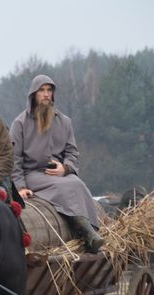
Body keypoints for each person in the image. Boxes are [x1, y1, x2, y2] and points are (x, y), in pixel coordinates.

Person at [10, 74, 104, 253]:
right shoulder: (20, 123)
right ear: (33, 95)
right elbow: (14, 159)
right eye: (42, 91)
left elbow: (72, 152)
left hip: (59, 174)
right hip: (32, 174)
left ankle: (93, 230)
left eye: (49, 90)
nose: (46, 94)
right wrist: (20, 187)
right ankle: (87, 233)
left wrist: (65, 168)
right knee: (68, 186)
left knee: (77, 183)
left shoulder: (64, 121)